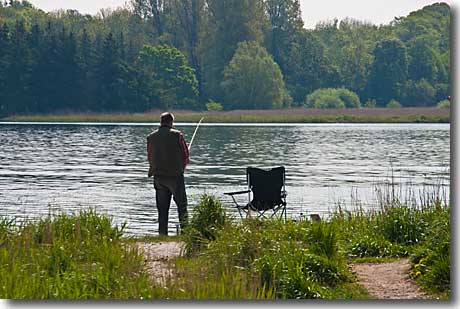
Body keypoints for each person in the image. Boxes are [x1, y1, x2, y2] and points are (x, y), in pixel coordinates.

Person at [147, 112, 189, 236]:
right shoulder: (177, 135)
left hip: (158, 177)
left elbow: (149, 156)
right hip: (175, 176)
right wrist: (182, 167)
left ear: (161, 122)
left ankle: (162, 234)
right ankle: (186, 233)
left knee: (162, 210)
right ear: (171, 122)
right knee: (182, 207)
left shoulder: (151, 137)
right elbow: (186, 155)